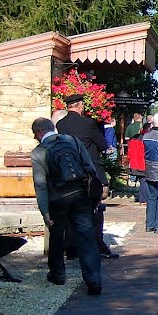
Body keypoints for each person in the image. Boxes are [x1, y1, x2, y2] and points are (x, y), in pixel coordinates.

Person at [30, 117, 102, 295]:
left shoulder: (39, 152)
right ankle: (94, 280)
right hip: (80, 195)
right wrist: (95, 193)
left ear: (39, 132)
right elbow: (90, 167)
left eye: (35, 135)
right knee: (86, 237)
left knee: (56, 235)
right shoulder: (73, 141)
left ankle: (57, 274)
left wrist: (45, 212)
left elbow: (40, 185)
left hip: (57, 199)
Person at [56, 94, 117, 259]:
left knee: (71, 211)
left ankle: (72, 249)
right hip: (90, 173)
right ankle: (97, 247)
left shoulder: (61, 125)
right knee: (95, 210)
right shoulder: (88, 124)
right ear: (80, 105)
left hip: (69, 172)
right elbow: (103, 145)